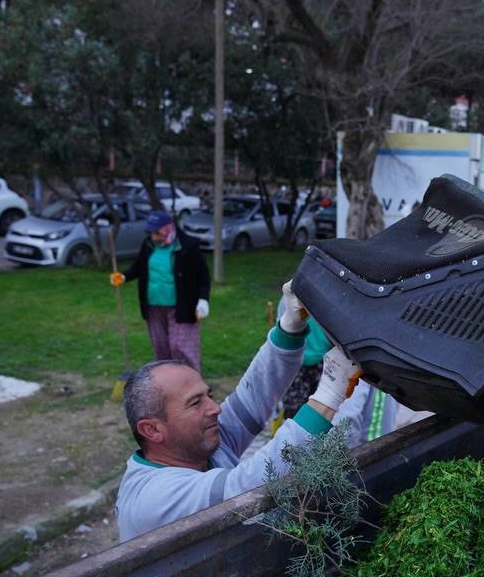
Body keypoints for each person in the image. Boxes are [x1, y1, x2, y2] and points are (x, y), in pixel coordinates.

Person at [114, 282, 364, 542]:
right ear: (152, 429)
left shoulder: (195, 445)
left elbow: (252, 399)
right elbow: (244, 489)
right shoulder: (154, 497)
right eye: (195, 403)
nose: (215, 407)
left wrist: (290, 325)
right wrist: (329, 394)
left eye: (208, 395)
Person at [110, 210, 210, 372]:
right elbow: (139, 267)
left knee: (181, 348)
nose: (154, 237)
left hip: (183, 305)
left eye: (157, 233)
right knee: (160, 346)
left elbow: (203, 275)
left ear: (168, 229)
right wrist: (123, 276)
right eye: (151, 233)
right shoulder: (148, 245)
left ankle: (192, 386)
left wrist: (203, 299)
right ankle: (166, 385)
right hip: (154, 305)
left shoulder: (188, 246)